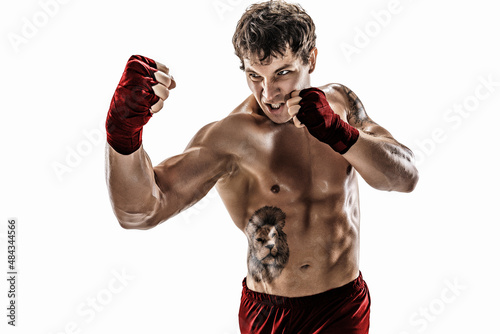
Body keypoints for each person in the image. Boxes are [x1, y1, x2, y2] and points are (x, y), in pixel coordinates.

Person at [105, 1, 418, 333]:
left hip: (344, 305)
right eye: (254, 75)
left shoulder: (340, 103)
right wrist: (122, 135)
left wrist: (342, 135)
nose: (269, 93)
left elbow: (404, 178)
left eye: (282, 73)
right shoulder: (232, 137)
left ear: (310, 58)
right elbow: (139, 212)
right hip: (272, 316)